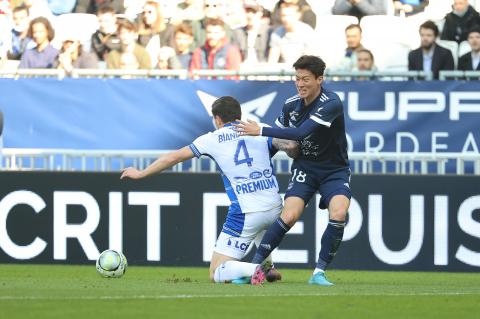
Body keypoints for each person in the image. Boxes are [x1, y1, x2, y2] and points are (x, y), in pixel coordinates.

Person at [120, 96, 299, 284]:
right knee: (262, 226)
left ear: (217, 119)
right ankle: (269, 268)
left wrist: (141, 173)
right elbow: (292, 145)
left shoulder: (211, 139)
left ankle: (257, 268)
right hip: (276, 208)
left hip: (247, 212)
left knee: (216, 272)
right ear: (239, 115)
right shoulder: (259, 128)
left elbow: (172, 158)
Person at [234, 55, 351, 286]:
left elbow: (299, 134)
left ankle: (318, 273)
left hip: (334, 170)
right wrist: (254, 164)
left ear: (320, 79)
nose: (300, 84)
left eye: (305, 79)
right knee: (289, 215)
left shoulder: (332, 102)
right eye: (297, 78)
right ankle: (255, 269)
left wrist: (260, 130)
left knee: (338, 213)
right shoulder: (290, 105)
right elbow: (277, 141)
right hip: (306, 168)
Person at [233, 0, 272, 64]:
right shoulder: (237, 32)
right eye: (247, 12)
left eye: (253, 12)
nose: (250, 15)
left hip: (264, 70)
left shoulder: (268, 32)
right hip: (243, 69)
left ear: (260, 13)